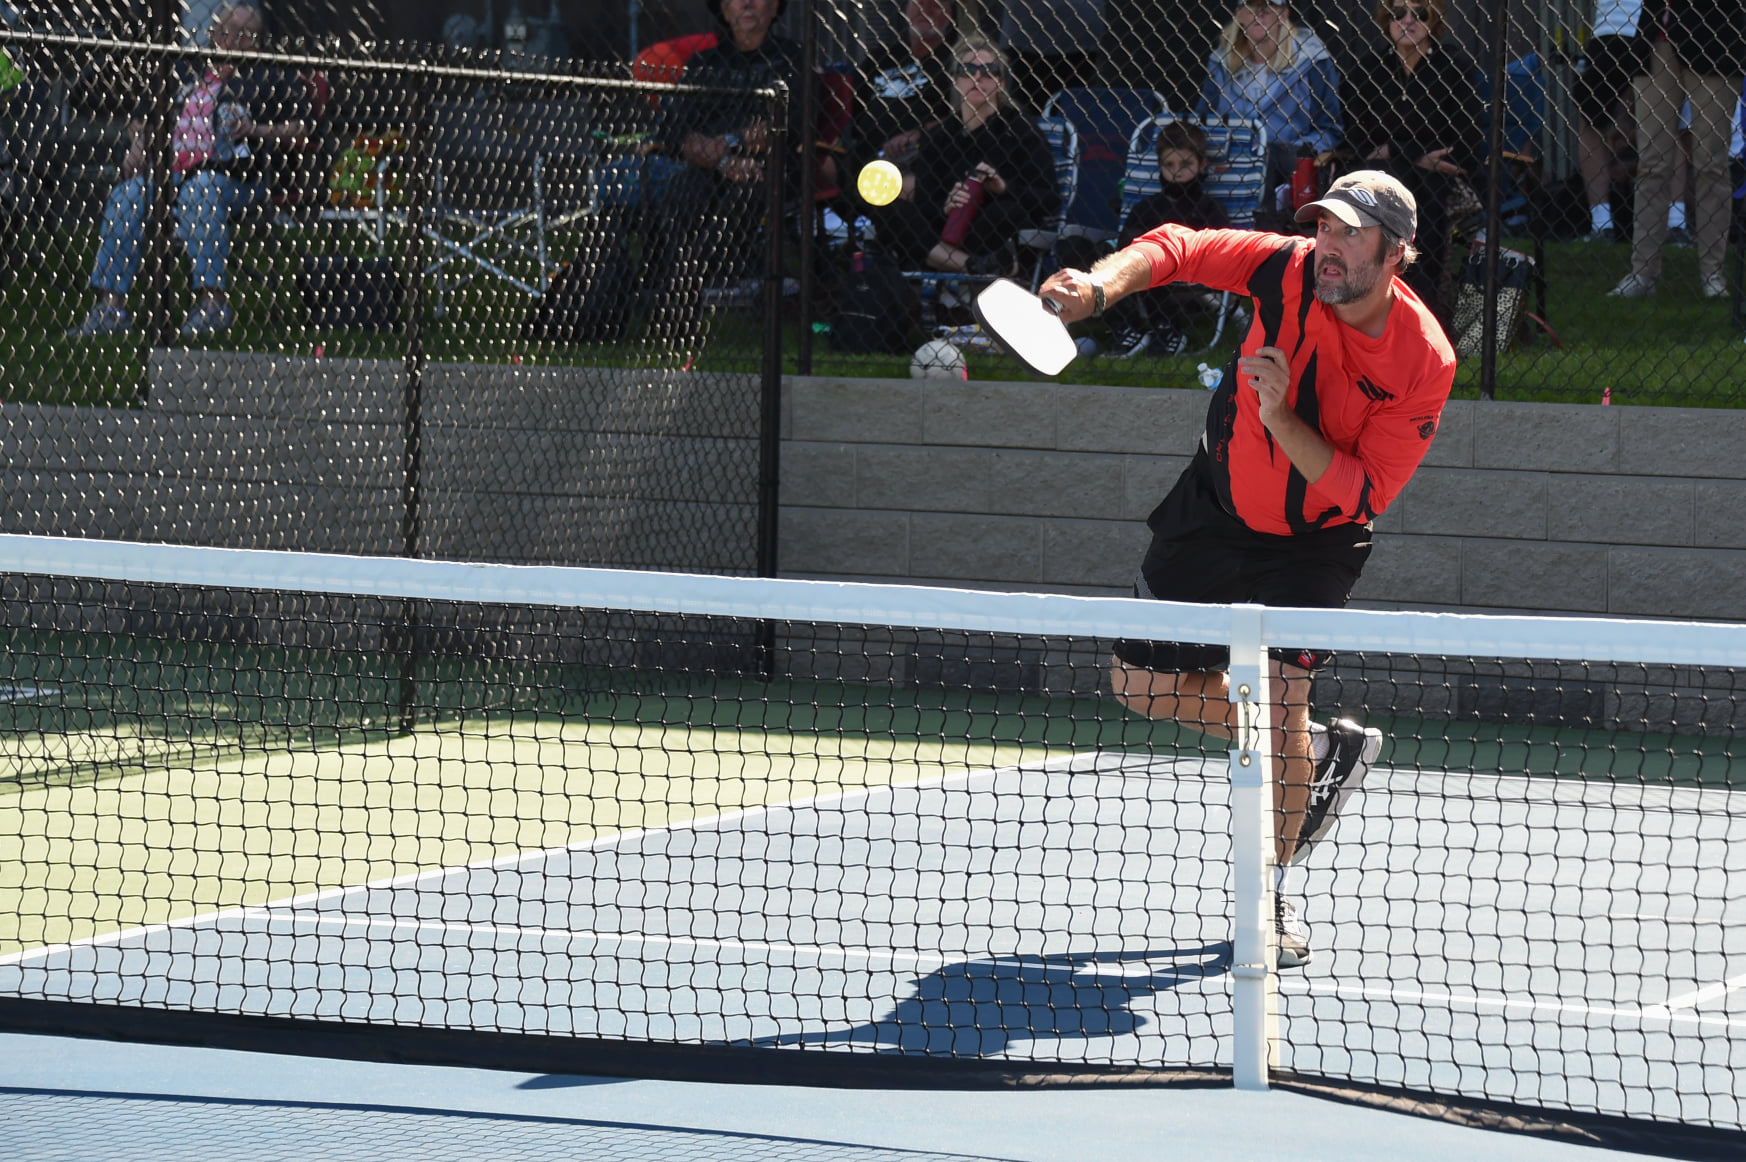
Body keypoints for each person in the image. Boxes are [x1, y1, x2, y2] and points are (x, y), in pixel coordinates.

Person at [1038, 170, 1457, 969]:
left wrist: (1281, 417)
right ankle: (1317, 758)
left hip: (1315, 543)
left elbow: (1363, 489)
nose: (1327, 246)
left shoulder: (1422, 360)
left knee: (1282, 696)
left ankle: (1268, 889)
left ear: (1397, 253)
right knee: (1137, 687)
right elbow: (1179, 247)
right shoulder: (1287, 266)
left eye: (1350, 234)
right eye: (1324, 227)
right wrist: (1097, 287)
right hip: (1214, 508)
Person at [66, 2, 310, 339]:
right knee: (128, 194)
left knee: (202, 188)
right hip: (170, 173)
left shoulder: (268, 74)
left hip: (235, 178)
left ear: (257, 42)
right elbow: (140, 118)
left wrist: (255, 130)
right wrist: (139, 144)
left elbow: (301, 129)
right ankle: (112, 307)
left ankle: (214, 304)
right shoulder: (185, 69)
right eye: (227, 31)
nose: (235, 40)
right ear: (212, 34)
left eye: (245, 35)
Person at [643, 0, 808, 329]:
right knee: (682, 192)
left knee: (745, 192)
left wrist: (726, 143)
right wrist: (727, 155)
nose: (747, 4)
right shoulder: (704, 63)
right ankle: (677, 293)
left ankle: (682, 291)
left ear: (775, 8)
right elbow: (675, 132)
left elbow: (780, 130)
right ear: (723, 9)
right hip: (712, 169)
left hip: (770, 169)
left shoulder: (793, 59)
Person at [862, 32, 1059, 278]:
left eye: (989, 70)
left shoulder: (1021, 131)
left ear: (1001, 82)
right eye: (968, 70)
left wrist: (1003, 188)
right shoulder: (940, 136)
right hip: (944, 230)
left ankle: (955, 262)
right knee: (887, 203)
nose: (978, 77)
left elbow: (1049, 198)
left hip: (990, 228)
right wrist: (946, 207)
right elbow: (925, 199)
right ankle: (971, 265)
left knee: (1007, 211)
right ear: (955, 79)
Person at [1337, 0, 1481, 320]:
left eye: (1420, 13)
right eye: (1398, 13)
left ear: (1436, 19)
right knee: (1399, 176)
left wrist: (1395, 149)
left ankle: (1419, 307)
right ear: (1386, 19)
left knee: (1422, 184)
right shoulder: (1368, 69)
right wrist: (1415, 153)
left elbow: (1464, 140)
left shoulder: (1453, 67)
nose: (1408, 20)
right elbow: (1357, 138)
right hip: (1381, 175)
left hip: (1438, 180)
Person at [1609, 0, 1746, 299]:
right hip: (1656, 36)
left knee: (1711, 161)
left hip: (1713, 35)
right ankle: (1642, 273)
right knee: (1652, 162)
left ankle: (1712, 273)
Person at [1089, 120, 1231, 357]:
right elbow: (1126, 240)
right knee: (1100, 250)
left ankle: (1168, 329)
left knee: (1158, 255)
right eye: (1169, 165)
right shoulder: (1147, 207)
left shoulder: (1210, 208)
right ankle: (1127, 327)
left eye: (1185, 164)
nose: (1176, 172)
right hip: (1137, 265)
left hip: (1186, 264)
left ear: (1202, 165)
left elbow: (1220, 245)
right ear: (1160, 167)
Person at [1196, 0, 1342, 219]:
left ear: (1284, 13)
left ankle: (1261, 226)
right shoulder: (1221, 61)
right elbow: (1203, 119)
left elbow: (1331, 128)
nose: (1260, 14)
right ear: (1239, 14)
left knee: (1269, 155)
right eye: (1252, 7)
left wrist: (1302, 150)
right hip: (1232, 157)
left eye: (1268, 7)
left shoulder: (1312, 60)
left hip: (1288, 159)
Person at [852, 0, 959, 175]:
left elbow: (964, 119)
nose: (927, 11)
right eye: (919, 4)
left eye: (936, 5)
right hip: (862, 156)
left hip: (918, 162)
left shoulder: (956, 62)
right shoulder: (882, 58)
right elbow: (849, 105)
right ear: (906, 11)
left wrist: (920, 133)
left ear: (949, 16)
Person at [1575, 0, 1646, 242]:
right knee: (1664, 128)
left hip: (1612, 31)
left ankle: (1602, 222)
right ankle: (1673, 222)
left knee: (1591, 127)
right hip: (1652, 32)